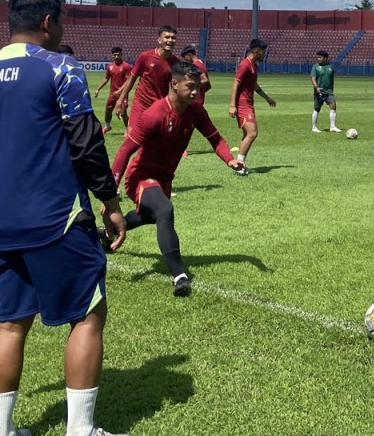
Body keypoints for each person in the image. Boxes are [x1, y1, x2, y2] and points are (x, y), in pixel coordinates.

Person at [0, 0, 131, 436]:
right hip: (59, 218)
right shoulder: (60, 67)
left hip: (1, 223)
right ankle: (81, 434)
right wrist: (110, 203)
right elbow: (86, 142)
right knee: (88, 316)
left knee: (10, 324)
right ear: (49, 23)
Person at [112, 61, 244, 296]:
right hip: (140, 177)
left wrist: (229, 160)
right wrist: (111, 191)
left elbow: (215, 138)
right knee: (164, 210)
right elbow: (125, 151)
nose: (196, 92)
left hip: (164, 179)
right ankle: (179, 275)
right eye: (191, 87)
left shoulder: (195, 112)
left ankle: (105, 232)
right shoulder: (154, 114)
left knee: (150, 216)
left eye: (198, 87)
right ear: (174, 84)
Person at [115, 26, 179, 128]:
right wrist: (119, 101)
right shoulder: (145, 56)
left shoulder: (175, 63)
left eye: (173, 38)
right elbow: (131, 79)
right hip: (140, 103)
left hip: (159, 106)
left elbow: (175, 88)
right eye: (167, 37)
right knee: (132, 137)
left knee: (154, 141)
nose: (170, 40)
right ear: (159, 40)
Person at [229, 38, 276, 174]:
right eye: (263, 51)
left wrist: (267, 98)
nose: (264, 54)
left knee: (247, 134)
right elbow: (236, 83)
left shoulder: (254, 66)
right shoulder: (245, 64)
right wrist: (232, 105)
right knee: (252, 133)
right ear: (256, 51)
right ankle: (239, 166)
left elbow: (254, 85)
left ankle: (240, 164)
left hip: (249, 103)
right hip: (242, 104)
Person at [93, 47, 132, 132]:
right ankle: (107, 127)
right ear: (112, 56)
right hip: (112, 93)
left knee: (123, 112)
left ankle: (127, 130)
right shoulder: (110, 66)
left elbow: (128, 81)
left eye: (118, 55)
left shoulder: (126, 66)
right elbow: (106, 78)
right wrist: (98, 89)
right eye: (115, 55)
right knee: (108, 110)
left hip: (123, 93)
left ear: (121, 54)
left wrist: (119, 90)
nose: (117, 56)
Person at [310, 50, 340, 133]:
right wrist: (316, 87)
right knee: (317, 109)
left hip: (329, 92)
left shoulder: (330, 67)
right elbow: (313, 78)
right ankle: (314, 127)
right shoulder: (315, 67)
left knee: (333, 106)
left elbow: (332, 79)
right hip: (319, 92)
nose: (318, 59)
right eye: (318, 57)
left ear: (325, 58)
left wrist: (332, 88)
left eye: (320, 57)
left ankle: (332, 127)